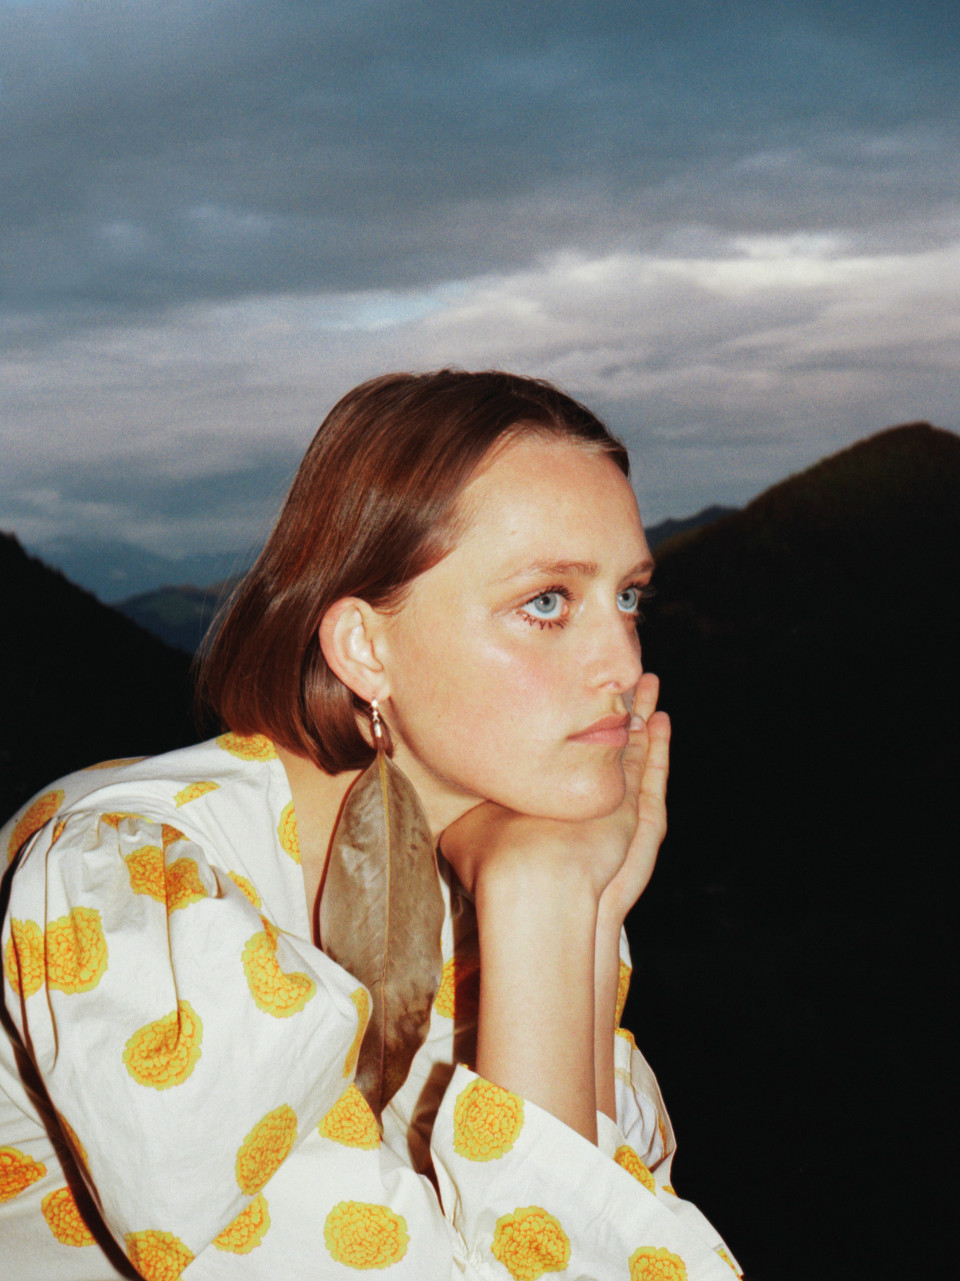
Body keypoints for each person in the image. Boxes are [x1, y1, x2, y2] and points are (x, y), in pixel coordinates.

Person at [1, 371, 740, 1279]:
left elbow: (605, 1233)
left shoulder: (497, 873)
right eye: (546, 601)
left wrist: (568, 909)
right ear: (363, 647)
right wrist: (545, 903)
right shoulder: (135, 891)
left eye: (629, 597)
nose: (622, 663)